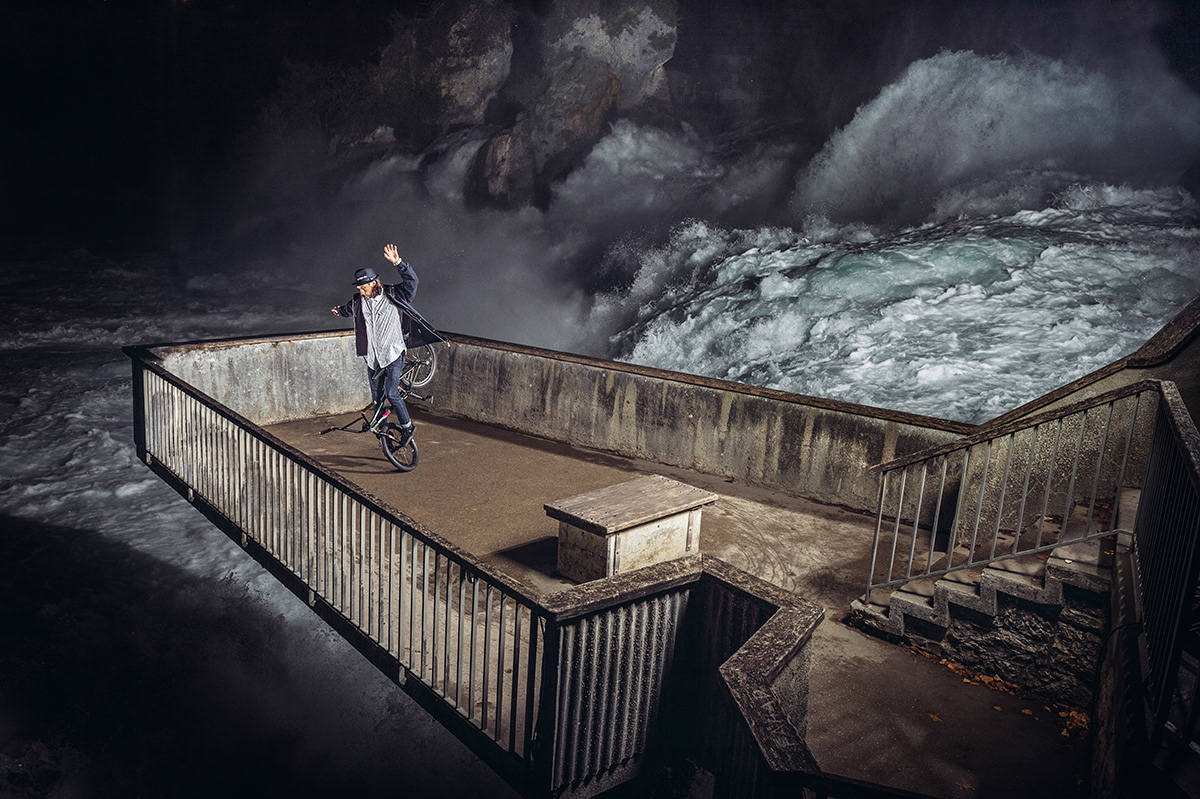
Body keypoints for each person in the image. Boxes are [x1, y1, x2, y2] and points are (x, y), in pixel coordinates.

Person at [331, 243, 436, 448]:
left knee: (392, 393)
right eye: (359, 288)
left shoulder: (393, 294)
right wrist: (339, 311)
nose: (361, 291)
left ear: (373, 283)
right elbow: (348, 309)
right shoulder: (359, 301)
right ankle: (383, 431)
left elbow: (412, 282)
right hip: (373, 358)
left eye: (363, 287)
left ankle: (407, 427)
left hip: (393, 353)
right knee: (377, 399)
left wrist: (398, 263)